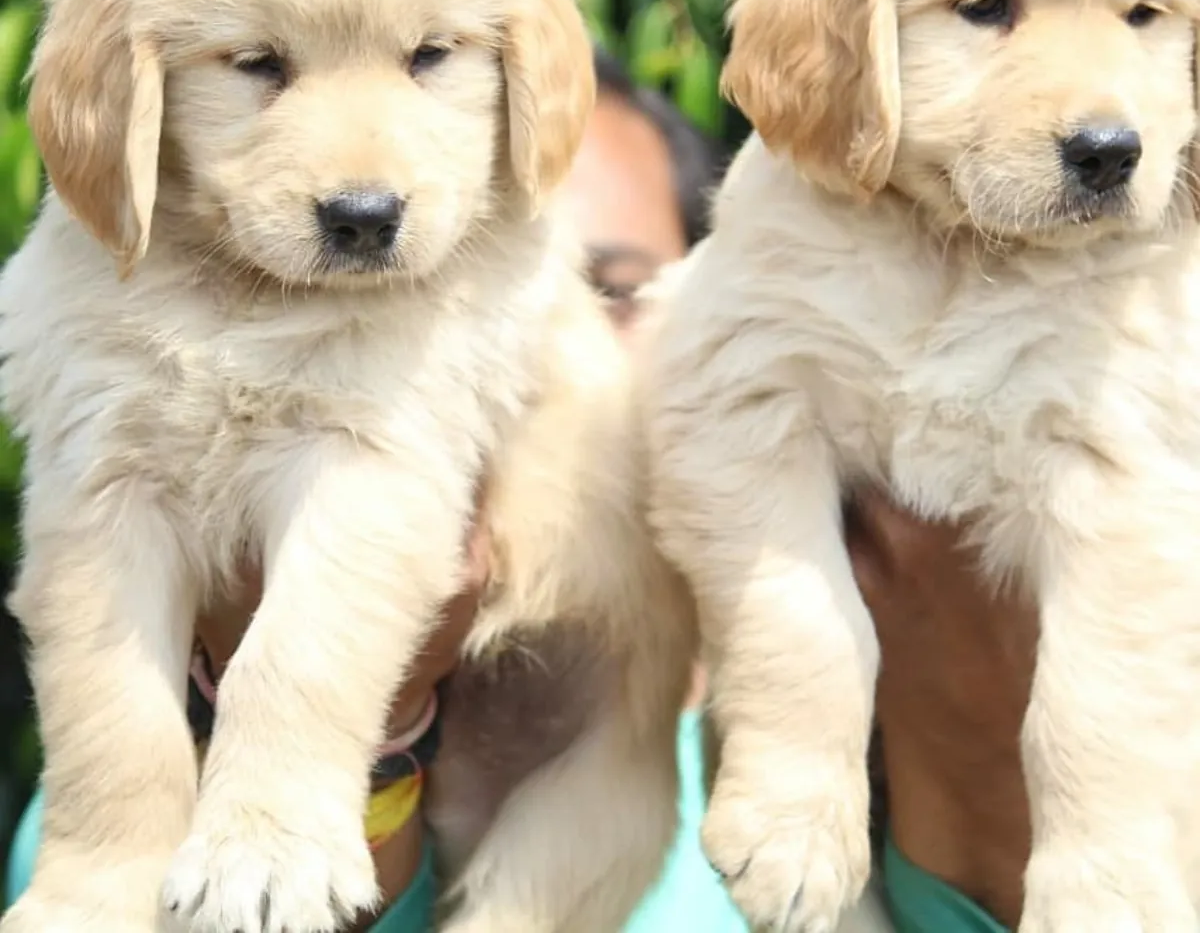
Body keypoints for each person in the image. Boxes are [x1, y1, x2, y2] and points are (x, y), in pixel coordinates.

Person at [5, 49, 1036, 933]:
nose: (544, 347)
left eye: (607, 290)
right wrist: (375, 734)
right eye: (465, 290)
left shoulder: (891, 679)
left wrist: (969, 723)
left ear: (710, 304)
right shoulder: (130, 751)